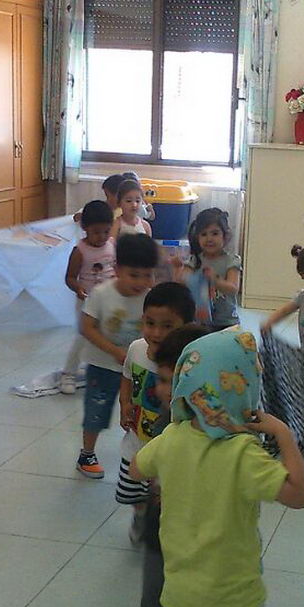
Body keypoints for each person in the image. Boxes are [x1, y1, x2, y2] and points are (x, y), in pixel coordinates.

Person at [129, 328, 304, 607]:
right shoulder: (243, 454)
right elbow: (297, 495)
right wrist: (283, 434)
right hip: (233, 598)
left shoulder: (171, 440)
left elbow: (136, 467)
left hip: (180, 595)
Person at [132, 322, 208, 607]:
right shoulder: (167, 422)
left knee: (204, 597)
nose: (160, 389)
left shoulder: (226, 434)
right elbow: (144, 468)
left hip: (206, 533)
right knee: (154, 592)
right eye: (160, 379)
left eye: (168, 381)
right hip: (161, 526)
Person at [75, 233, 159, 479]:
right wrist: (115, 352)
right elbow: (86, 327)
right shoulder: (102, 294)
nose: (142, 282)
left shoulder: (150, 296)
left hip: (137, 370)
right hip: (103, 366)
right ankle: (87, 453)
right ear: (118, 269)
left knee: (137, 411)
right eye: (134, 275)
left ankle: (138, 451)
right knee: (96, 409)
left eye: (147, 275)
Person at [118, 282, 196, 541]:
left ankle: (162, 528)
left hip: (170, 448)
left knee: (166, 497)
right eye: (150, 323)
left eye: (167, 326)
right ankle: (140, 514)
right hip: (137, 439)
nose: (157, 333)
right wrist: (125, 404)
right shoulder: (136, 349)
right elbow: (127, 376)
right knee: (131, 490)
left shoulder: (188, 360)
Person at [59, 200, 116, 395]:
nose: (102, 237)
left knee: (109, 334)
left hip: (109, 300)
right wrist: (79, 289)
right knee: (84, 336)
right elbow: (69, 278)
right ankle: (68, 373)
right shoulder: (79, 251)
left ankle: (102, 371)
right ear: (85, 228)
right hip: (87, 302)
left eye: (106, 232)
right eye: (96, 232)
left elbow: (115, 269)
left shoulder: (112, 245)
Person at [181, 207, 242, 330]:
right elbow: (183, 282)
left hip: (226, 321)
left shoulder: (231, 260)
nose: (209, 239)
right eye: (204, 234)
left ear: (226, 236)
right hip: (199, 319)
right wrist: (176, 269)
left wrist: (215, 279)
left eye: (215, 233)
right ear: (197, 237)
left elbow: (233, 288)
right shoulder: (195, 260)